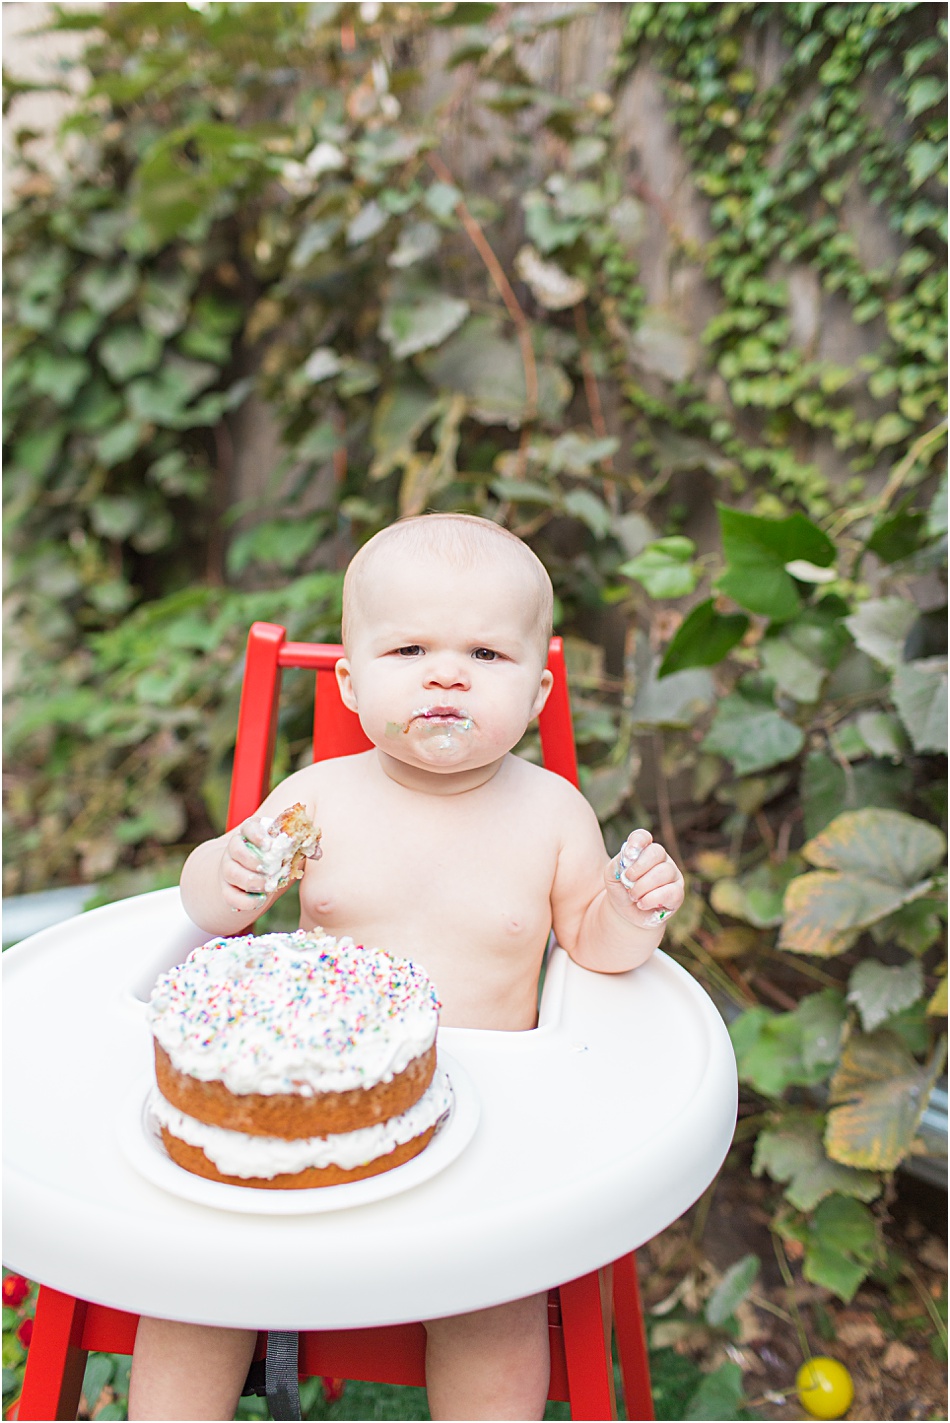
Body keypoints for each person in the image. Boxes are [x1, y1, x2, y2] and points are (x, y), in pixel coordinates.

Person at [129, 512, 685, 1421]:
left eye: (486, 655)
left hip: (480, 1135)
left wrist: (629, 911)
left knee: (495, 1312)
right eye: (410, 649)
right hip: (303, 1117)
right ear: (351, 682)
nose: (447, 674)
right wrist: (225, 873)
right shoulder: (318, 799)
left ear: (538, 693)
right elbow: (212, 911)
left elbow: (594, 947)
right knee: (196, 1280)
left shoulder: (551, 815)